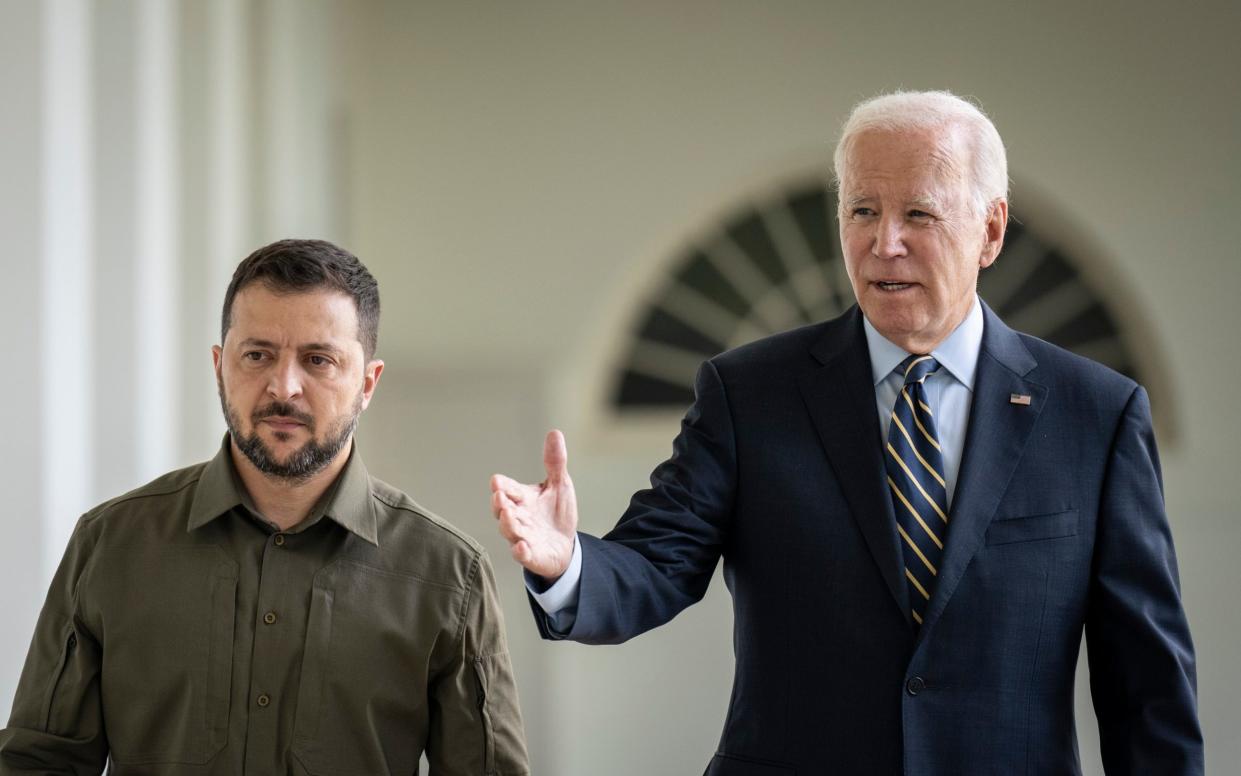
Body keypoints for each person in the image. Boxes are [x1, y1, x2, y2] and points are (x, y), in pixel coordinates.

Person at [491, 91, 1203, 775]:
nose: (882, 243)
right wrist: (567, 566)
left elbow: (1145, 680)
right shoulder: (748, 393)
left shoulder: (1094, 413)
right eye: (861, 209)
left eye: (917, 213)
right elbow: (655, 564)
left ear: (989, 229)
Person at [1, 239, 529, 775]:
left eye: (318, 359)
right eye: (257, 355)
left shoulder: (448, 575)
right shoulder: (109, 545)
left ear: (367, 383)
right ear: (219, 366)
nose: (284, 387)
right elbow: (38, 764)